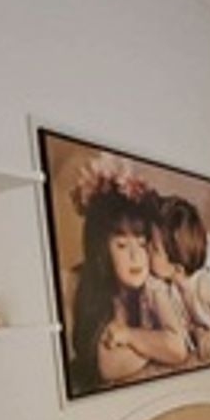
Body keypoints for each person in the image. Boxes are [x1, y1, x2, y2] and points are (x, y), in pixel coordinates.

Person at [69, 162, 189, 393]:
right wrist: (155, 343)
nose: (136, 257)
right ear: (102, 251)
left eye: (142, 244)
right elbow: (108, 365)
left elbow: (177, 349)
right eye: (122, 245)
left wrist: (130, 337)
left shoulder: (154, 287)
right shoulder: (87, 288)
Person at [147, 195, 210, 361]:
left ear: (177, 268)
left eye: (155, 248)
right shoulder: (171, 289)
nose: (147, 249)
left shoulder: (204, 287)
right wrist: (199, 334)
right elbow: (188, 324)